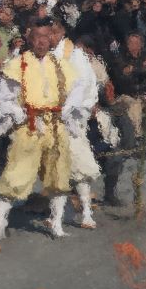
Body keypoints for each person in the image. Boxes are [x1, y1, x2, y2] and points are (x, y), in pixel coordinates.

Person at [0, 20, 79, 243]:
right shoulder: (18, 64)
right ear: (29, 38)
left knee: (59, 175)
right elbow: (3, 99)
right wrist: (20, 114)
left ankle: (56, 224)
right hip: (30, 126)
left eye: (46, 36)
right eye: (37, 36)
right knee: (16, 174)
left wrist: (68, 110)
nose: (42, 41)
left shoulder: (60, 64)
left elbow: (77, 89)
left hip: (55, 126)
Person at [49, 19, 101, 229]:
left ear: (61, 32)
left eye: (53, 32)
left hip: (72, 117)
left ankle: (87, 212)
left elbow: (87, 84)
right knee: (55, 168)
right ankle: (58, 215)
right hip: (50, 117)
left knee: (79, 166)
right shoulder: (42, 55)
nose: (48, 37)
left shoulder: (75, 55)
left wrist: (79, 109)